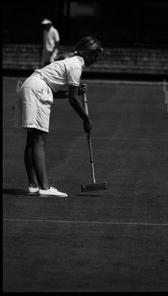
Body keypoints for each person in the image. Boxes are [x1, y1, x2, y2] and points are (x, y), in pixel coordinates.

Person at [14, 36, 103, 197]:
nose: (96, 60)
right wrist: (86, 119)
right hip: (37, 90)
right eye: (96, 56)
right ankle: (45, 187)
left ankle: (33, 185)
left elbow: (60, 92)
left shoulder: (69, 62)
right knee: (40, 140)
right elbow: (73, 99)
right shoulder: (76, 66)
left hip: (30, 86)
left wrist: (74, 92)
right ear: (89, 53)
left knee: (32, 140)